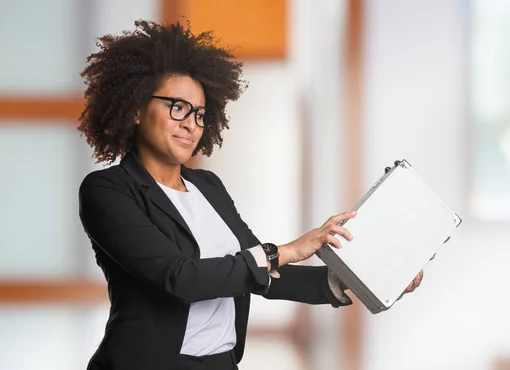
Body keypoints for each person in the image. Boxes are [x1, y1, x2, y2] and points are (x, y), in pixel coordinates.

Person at [77, 20, 424, 370]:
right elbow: (179, 278)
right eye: (177, 107)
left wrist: (364, 280)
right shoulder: (107, 191)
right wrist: (284, 251)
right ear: (136, 109)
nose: (191, 124)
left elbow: (261, 274)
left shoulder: (208, 187)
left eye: (199, 114)